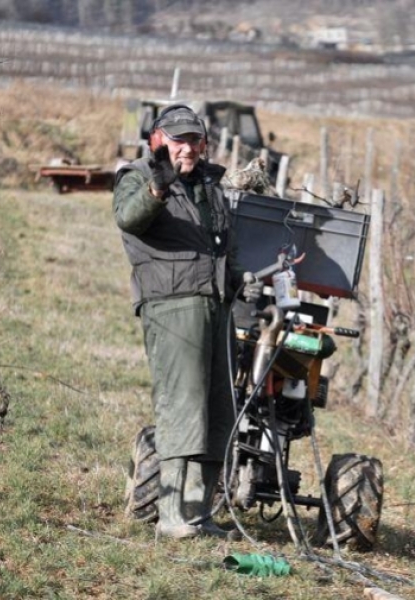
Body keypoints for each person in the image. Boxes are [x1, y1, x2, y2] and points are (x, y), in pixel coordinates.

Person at [113, 104, 263, 539]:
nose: (188, 148)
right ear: (159, 140)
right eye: (179, 140)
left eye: (194, 139)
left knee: (219, 410)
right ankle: (172, 513)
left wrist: (240, 281)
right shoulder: (138, 176)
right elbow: (129, 219)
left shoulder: (210, 184)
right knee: (183, 407)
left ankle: (199, 512)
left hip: (215, 307)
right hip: (172, 306)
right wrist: (158, 189)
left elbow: (221, 247)